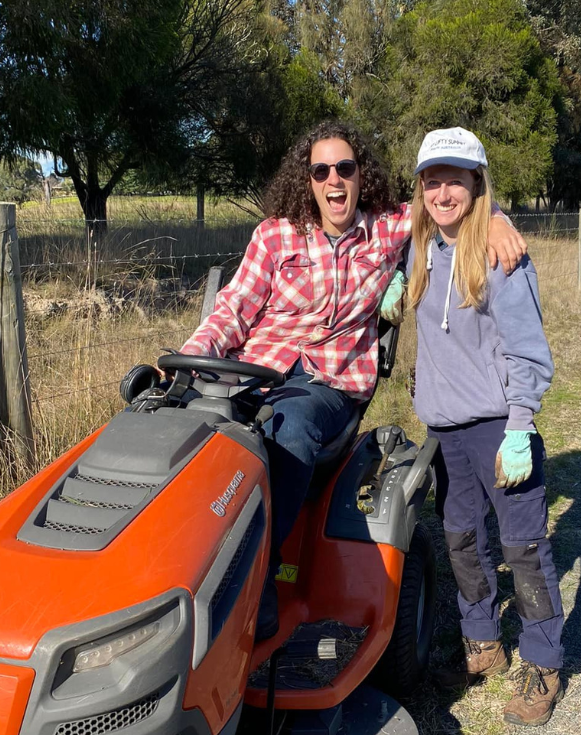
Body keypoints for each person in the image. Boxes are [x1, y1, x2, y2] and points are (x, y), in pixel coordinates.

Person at [179, 120, 526, 641]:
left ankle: (256, 578)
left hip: (328, 386)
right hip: (256, 373)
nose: (334, 180)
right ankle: (181, 568)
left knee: (287, 431)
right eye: (322, 170)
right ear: (308, 180)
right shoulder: (276, 235)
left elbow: (449, 203)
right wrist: (188, 361)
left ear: (362, 176)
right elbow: (233, 310)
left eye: (345, 168)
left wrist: (494, 218)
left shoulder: (386, 229)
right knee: (185, 427)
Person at [403, 127, 564, 727]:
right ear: (420, 188)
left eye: (456, 179)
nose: (443, 192)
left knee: (522, 546)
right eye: (432, 180)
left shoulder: (501, 255)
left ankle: (542, 660)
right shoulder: (419, 248)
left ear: (476, 182)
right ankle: (482, 646)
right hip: (445, 433)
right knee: (462, 541)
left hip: (499, 427)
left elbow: (528, 349)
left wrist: (521, 426)